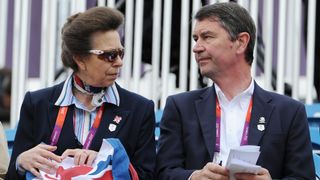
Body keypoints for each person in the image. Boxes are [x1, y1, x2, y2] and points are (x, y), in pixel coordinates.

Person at [156, 2, 315, 179]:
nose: (197, 47)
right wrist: (194, 177)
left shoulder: (289, 112)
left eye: (207, 37)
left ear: (241, 42)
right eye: (196, 39)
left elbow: (303, 177)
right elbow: (162, 172)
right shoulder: (180, 107)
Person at [7, 7, 156, 179]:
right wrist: (20, 162)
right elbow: (12, 175)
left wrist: (109, 164)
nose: (119, 62)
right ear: (80, 59)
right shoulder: (37, 103)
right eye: (110, 55)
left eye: (121, 53)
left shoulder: (140, 109)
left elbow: (148, 175)